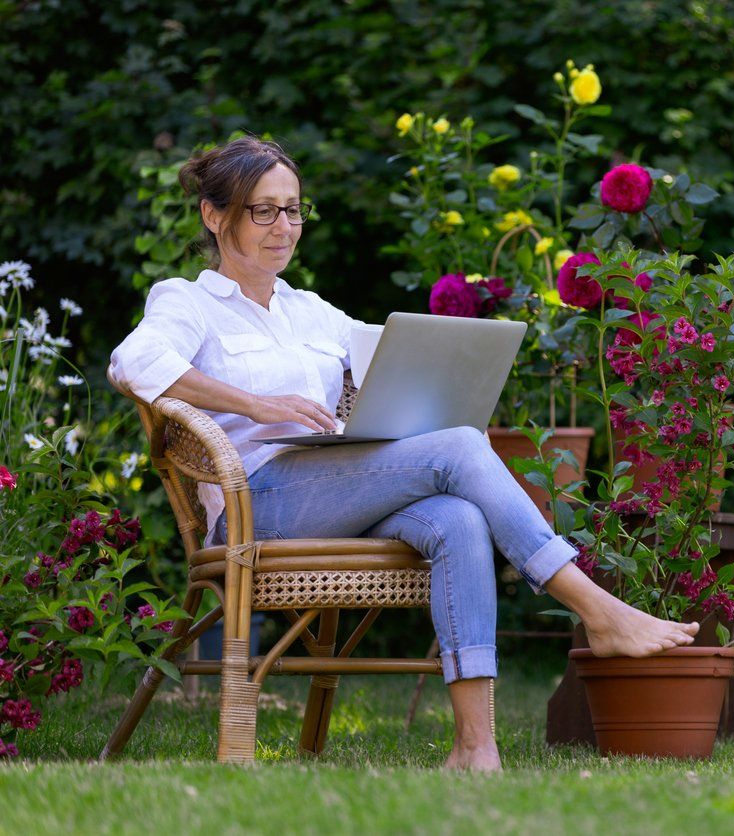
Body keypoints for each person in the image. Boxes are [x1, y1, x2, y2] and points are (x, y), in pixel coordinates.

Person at [111, 136, 698, 772]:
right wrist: (255, 404)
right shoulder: (187, 301)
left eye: (294, 210)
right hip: (254, 504)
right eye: (264, 211)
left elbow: (387, 363)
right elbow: (134, 364)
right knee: (461, 447)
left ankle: (475, 748)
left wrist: (433, 394)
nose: (284, 227)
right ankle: (595, 608)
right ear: (213, 214)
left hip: (338, 491)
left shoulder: (311, 312)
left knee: (458, 518)